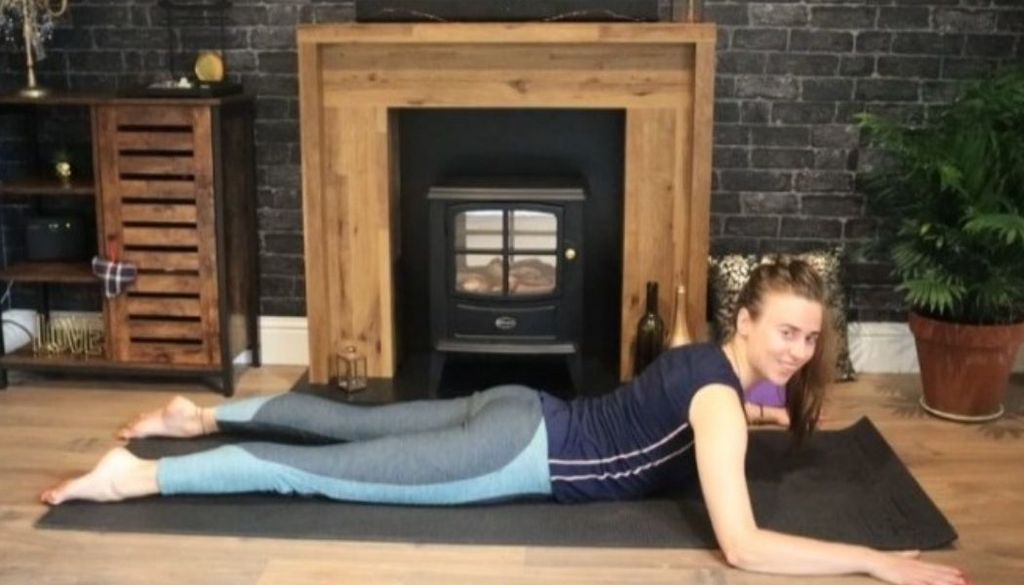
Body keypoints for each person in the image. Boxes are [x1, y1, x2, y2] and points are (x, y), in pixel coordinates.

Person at [41, 259, 966, 585]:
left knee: (353, 424)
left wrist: (762, 400)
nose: (799, 349)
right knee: (318, 472)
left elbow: (713, 412)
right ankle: (134, 476)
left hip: (521, 406)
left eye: (810, 336)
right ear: (747, 323)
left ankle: (200, 413)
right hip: (517, 449)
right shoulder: (723, 402)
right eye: (786, 332)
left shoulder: (707, 363)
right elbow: (744, 546)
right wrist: (873, 558)